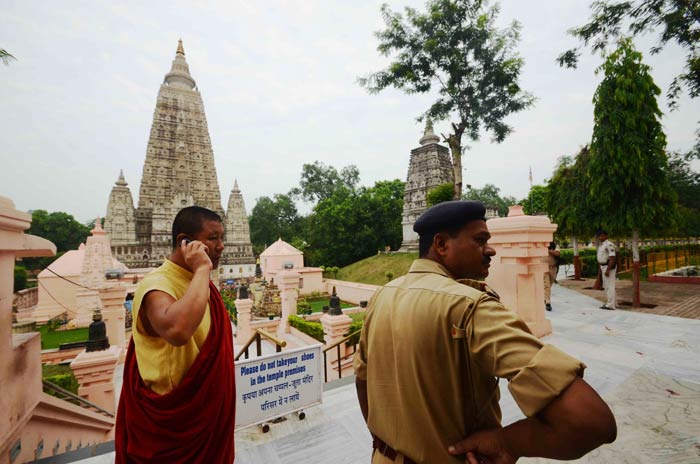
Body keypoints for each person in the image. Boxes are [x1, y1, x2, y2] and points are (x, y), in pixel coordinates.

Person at [354, 201, 616, 464]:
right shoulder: (470, 306)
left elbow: (362, 380)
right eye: (480, 240)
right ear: (441, 245)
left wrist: (385, 439)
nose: (490, 249)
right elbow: (591, 422)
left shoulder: (382, 295)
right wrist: (507, 442)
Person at [115, 206, 236, 463]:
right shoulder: (156, 284)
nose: (221, 246)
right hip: (172, 430)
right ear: (185, 242)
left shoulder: (201, 285)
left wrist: (201, 275)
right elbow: (177, 331)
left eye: (222, 238)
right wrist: (203, 270)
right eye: (213, 238)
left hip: (208, 420)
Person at [596, 229, 617, 310]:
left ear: (606, 236)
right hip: (603, 267)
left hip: (608, 267)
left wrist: (608, 270)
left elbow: (612, 258)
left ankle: (610, 305)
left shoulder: (609, 244)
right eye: (599, 236)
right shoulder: (602, 245)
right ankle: (612, 302)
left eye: (602, 235)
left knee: (609, 286)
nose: (600, 237)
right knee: (606, 285)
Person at [544, 241, 561, 311]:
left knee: (549, 285)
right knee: (546, 285)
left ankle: (545, 298)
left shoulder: (555, 245)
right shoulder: (542, 244)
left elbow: (557, 253)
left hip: (553, 268)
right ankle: (548, 303)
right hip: (544, 268)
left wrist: (548, 250)